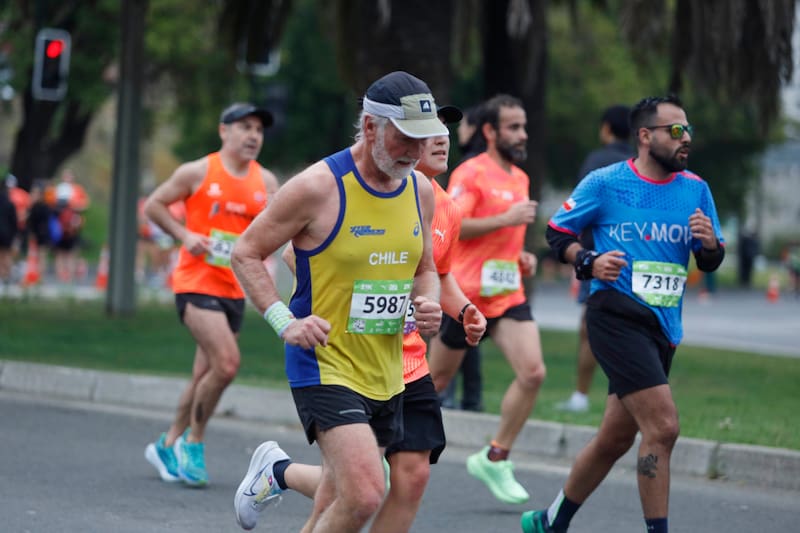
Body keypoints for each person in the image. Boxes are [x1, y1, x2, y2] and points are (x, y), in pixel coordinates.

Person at [233, 104, 488, 532]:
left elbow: (429, 271)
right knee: (367, 491)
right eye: (407, 137)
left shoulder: (421, 192)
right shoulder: (319, 185)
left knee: (344, 494)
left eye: (425, 137)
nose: (419, 148)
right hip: (326, 359)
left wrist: (431, 304)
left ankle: (276, 471)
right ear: (371, 127)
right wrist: (286, 321)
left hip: (390, 366)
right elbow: (248, 251)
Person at [522, 95, 725, 533]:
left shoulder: (696, 189)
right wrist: (588, 261)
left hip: (664, 327)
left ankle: (549, 521)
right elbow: (557, 233)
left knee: (615, 438)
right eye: (676, 130)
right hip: (614, 316)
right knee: (664, 426)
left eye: (688, 129)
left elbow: (710, 260)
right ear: (645, 136)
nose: (685, 137)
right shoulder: (606, 182)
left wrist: (709, 245)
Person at [142, 102, 279, 487]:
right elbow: (154, 205)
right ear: (224, 131)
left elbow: (276, 227)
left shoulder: (266, 182)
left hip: (235, 288)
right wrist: (185, 235)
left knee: (205, 372)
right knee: (228, 364)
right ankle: (194, 443)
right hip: (195, 283)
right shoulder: (198, 171)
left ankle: (167, 443)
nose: (254, 135)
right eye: (245, 127)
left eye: (259, 129)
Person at [427, 93, 544, 505]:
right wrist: (505, 220)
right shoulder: (471, 173)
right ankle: (388, 450)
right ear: (491, 131)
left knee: (533, 373)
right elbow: (453, 225)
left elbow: (503, 239)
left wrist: (521, 255)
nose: (522, 134)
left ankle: (496, 456)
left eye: (523, 126)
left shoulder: (520, 177)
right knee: (432, 383)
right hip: (466, 296)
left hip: (507, 293)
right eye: (513, 126)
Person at [557, 104, 634, 413]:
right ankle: (627, 396)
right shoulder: (639, 163)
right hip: (636, 256)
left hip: (599, 256)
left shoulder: (597, 161)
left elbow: (580, 208)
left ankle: (581, 395)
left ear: (605, 129)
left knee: (590, 329)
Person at [440, 102, 486, 412]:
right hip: (462, 276)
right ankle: (462, 398)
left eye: (458, 125)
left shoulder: (510, 175)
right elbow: (461, 225)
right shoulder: (468, 171)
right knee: (460, 337)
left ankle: (464, 398)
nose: (450, 134)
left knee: (467, 335)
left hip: (472, 282)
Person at [49, 169, 90, 284]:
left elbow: (85, 205)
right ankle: (61, 276)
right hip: (60, 227)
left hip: (73, 227)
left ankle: (69, 278)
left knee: (71, 252)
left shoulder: (77, 190)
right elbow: (51, 206)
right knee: (60, 252)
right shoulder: (57, 190)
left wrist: (73, 207)